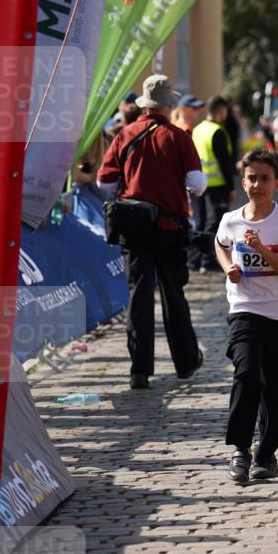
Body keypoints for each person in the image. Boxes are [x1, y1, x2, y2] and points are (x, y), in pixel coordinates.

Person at [97, 74, 207, 389]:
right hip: (170, 228)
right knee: (173, 294)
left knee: (138, 296)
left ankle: (139, 369)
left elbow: (105, 183)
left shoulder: (124, 134)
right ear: (169, 104)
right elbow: (198, 185)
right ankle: (185, 362)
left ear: (145, 104)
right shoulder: (178, 137)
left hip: (133, 228)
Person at [215, 149, 278, 485]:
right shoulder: (231, 220)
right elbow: (220, 244)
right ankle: (240, 449)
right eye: (252, 178)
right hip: (245, 310)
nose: (258, 185)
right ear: (243, 182)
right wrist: (229, 267)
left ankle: (265, 454)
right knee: (247, 372)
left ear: (277, 183)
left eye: (264, 179)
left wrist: (262, 251)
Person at [192, 95, 236, 273]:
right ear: (220, 110)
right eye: (225, 110)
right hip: (217, 185)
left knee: (201, 222)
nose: (226, 114)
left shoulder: (198, 129)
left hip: (200, 184)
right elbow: (225, 163)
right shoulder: (217, 132)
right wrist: (231, 187)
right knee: (215, 223)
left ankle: (195, 259)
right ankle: (208, 259)